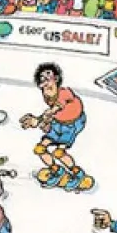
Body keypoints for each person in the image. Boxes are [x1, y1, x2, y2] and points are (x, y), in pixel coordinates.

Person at [21, 61, 92, 190]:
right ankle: (56, 170)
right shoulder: (47, 96)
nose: (45, 78)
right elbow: (50, 115)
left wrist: (39, 119)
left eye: (48, 74)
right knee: (39, 149)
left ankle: (78, 174)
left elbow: (56, 107)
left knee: (59, 152)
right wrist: (39, 122)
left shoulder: (64, 92)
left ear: (56, 78)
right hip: (58, 123)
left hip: (72, 125)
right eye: (42, 78)